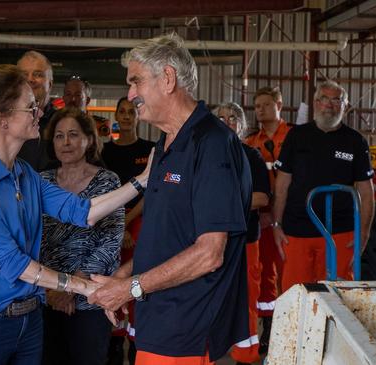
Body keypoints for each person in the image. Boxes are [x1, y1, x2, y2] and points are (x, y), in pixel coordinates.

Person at [0, 64, 150, 365]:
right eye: (30, 107)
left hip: (29, 320)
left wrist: (142, 180)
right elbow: (12, 263)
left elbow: (84, 211)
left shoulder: (25, 174)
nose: (40, 112)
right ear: (1, 119)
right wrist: (84, 286)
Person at [89, 33, 252, 365]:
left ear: (167, 79)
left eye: (136, 82)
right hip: (160, 321)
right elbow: (168, 238)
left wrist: (132, 287)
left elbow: (209, 253)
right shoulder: (163, 145)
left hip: (189, 329)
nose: (130, 94)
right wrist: (125, 275)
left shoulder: (212, 144)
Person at [272, 80, 374, 292]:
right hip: (297, 230)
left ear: (345, 105)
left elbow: (366, 191)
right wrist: (276, 224)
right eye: (324, 99)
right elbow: (282, 184)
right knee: (296, 294)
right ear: (316, 102)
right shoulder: (297, 136)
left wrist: (363, 233)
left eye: (336, 99)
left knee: (337, 295)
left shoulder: (355, 142)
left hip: (340, 232)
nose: (329, 104)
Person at [40, 107, 124, 365]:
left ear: (89, 140)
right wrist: (53, 289)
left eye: (73, 135)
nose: (65, 142)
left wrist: (74, 286)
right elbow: (33, 238)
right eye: (59, 136)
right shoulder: (40, 182)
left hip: (90, 297)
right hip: (47, 296)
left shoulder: (108, 182)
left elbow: (111, 239)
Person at [214, 102, 270, 365]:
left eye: (232, 118)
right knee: (209, 298)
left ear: (242, 124)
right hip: (207, 243)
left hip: (244, 241)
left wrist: (223, 202)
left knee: (246, 299)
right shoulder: (202, 156)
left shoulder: (252, 156)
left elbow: (261, 197)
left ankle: (246, 356)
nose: (226, 122)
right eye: (220, 118)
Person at [102, 96, 155, 365]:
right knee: (113, 279)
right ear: (116, 116)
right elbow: (104, 196)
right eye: (121, 111)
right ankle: (113, 342)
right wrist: (119, 225)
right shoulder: (105, 153)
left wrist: (130, 222)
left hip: (141, 222)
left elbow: (151, 192)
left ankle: (136, 343)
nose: (125, 116)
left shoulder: (151, 148)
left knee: (138, 279)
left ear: (137, 116)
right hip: (111, 224)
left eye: (130, 111)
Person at [244, 86, 291, 352]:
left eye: (265, 104)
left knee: (286, 271)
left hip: (286, 217)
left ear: (279, 104)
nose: (260, 110)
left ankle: (284, 324)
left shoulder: (294, 138)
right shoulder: (252, 143)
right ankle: (268, 326)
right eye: (257, 106)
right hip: (260, 217)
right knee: (263, 273)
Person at [17, 50, 56, 170]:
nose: (30, 80)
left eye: (38, 74)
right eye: (24, 75)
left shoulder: (63, 122)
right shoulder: (4, 120)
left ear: (50, 84)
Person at [63, 75, 113, 142]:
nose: (72, 99)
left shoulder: (99, 126)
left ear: (87, 100)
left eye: (78, 95)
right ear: (63, 98)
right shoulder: (55, 123)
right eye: (68, 94)